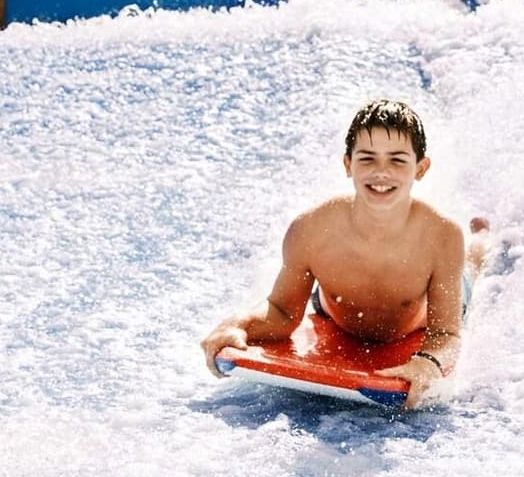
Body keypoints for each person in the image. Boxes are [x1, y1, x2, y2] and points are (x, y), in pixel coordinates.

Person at [201, 99, 487, 409]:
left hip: (422, 314)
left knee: (468, 267)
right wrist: (237, 324)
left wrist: (429, 362)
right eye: (367, 159)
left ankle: (481, 240)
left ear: (420, 168)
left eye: (397, 160)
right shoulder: (311, 230)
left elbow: (446, 334)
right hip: (334, 313)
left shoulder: (441, 236)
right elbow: (282, 313)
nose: (381, 172)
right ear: (348, 164)